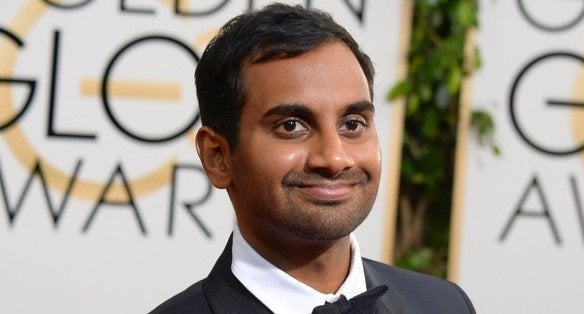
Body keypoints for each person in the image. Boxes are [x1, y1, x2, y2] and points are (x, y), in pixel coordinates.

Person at [151, 3, 475, 313]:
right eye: (291, 126)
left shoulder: (444, 305)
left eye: (353, 124)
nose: (335, 158)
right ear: (217, 156)